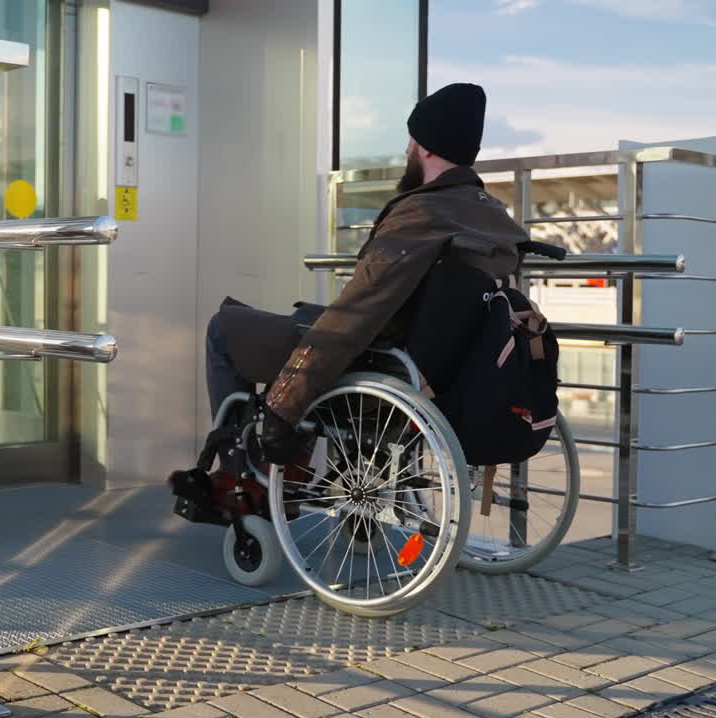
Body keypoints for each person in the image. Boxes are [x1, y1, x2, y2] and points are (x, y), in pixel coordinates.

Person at [203, 82, 527, 466]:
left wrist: (282, 406)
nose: (407, 149)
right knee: (302, 327)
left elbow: (357, 313)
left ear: (425, 146)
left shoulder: (421, 213)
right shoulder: (495, 216)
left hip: (382, 361)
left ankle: (241, 481)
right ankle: (292, 480)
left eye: (411, 140)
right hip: (440, 370)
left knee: (225, 329)